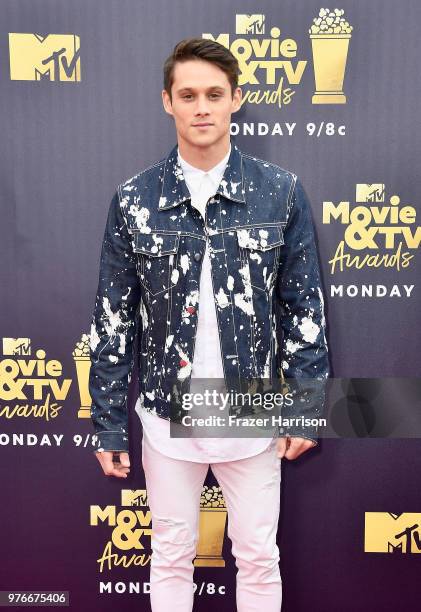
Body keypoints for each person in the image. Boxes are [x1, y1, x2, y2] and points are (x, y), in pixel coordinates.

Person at [89, 37, 329, 612]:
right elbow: (112, 317)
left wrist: (304, 408)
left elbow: (304, 310)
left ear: (236, 100)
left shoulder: (280, 191)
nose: (202, 107)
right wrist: (107, 424)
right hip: (167, 412)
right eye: (189, 94)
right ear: (167, 102)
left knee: (258, 555)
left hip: (251, 408)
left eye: (214, 94)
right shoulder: (134, 199)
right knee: (170, 553)